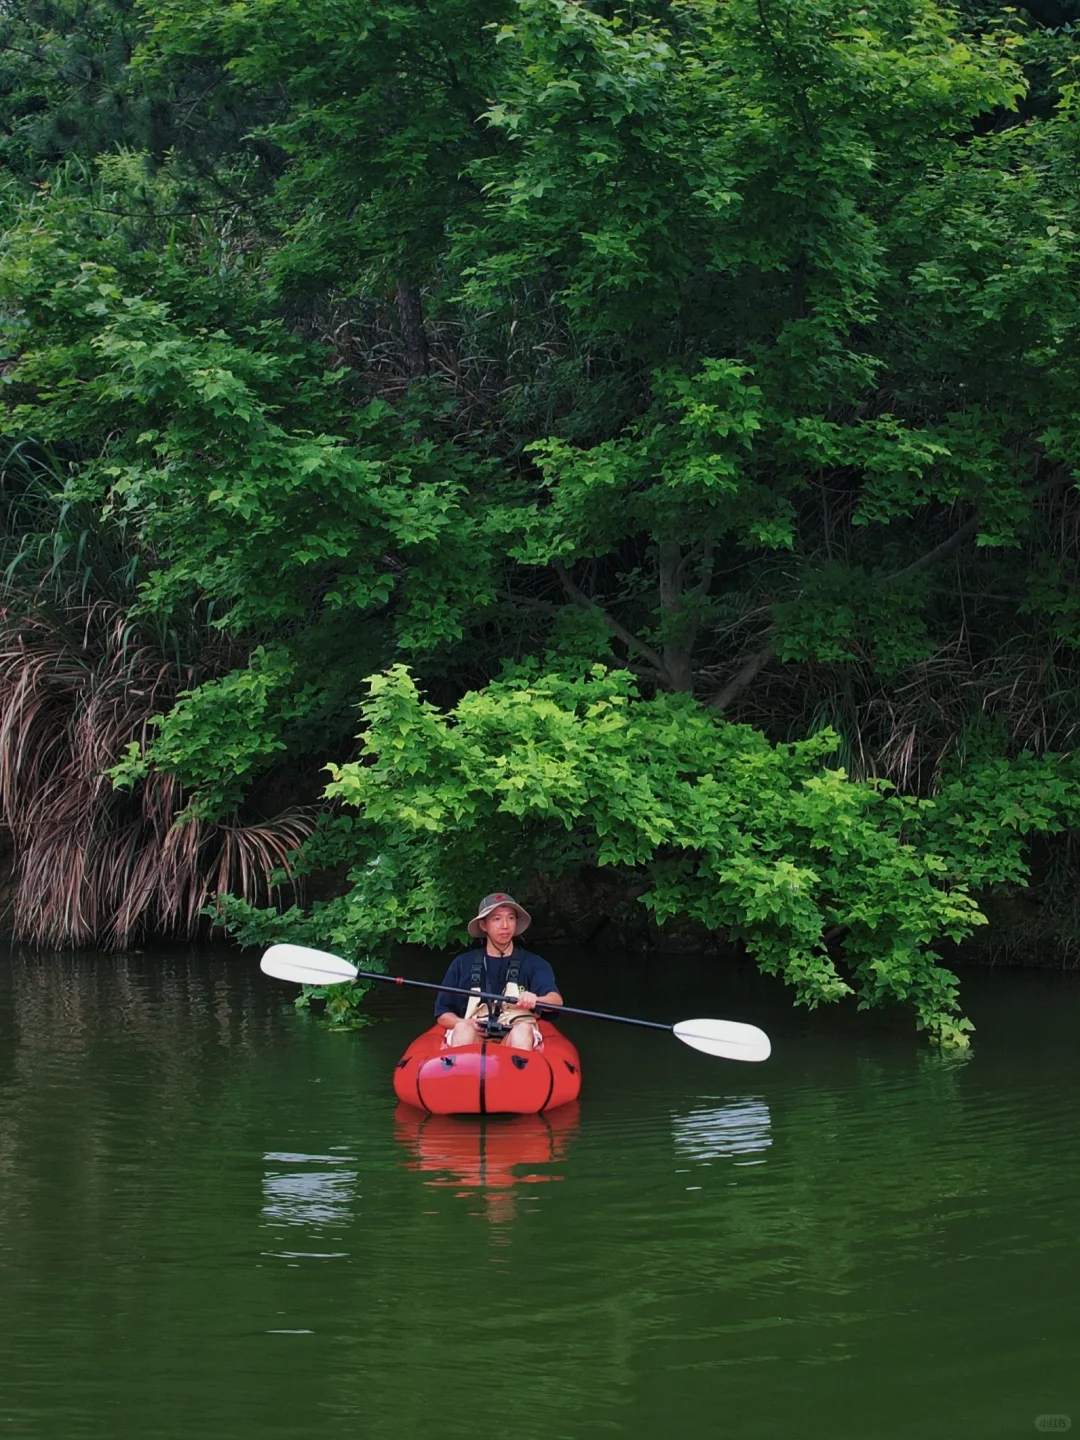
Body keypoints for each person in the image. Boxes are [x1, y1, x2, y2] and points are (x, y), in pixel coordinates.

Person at [435, 892, 562, 1051]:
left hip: (515, 1032)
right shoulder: (461, 964)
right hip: (475, 1032)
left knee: (522, 1031)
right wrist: (462, 1022)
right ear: (483, 925)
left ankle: (519, 1073)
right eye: (496, 919)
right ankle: (462, 1072)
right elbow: (442, 1013)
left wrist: (537, 999)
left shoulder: (535, 964)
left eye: (510, 918)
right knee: (462, 1029)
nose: (505, 925)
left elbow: (556, 1001)